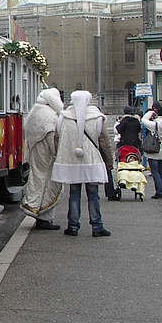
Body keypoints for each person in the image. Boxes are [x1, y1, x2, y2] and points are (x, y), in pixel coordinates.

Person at [52, 90, 113, 237]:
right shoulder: (97, 117)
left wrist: (58, 156)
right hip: (91, 161)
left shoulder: (64, 117)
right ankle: (97, 226)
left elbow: (56, 139)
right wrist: (109, 162)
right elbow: (104, 141)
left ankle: (73, 226)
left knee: (74, 193)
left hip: (72, 161)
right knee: (93, 195)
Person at [21, 88, 64, 230]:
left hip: (35, 151)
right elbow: (53, 138)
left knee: (36, 179)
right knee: (49, 182)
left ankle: (33, 206)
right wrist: (58, 155)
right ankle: (45, 216)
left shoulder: (35, 112)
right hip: (47, 155)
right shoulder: (50, 116)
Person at [142, 107, 162, 199]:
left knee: (155, 172)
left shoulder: (155, 124)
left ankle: (160, 191)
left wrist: (151, 112)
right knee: (161, 171)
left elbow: (143, 120)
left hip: (154, 148)